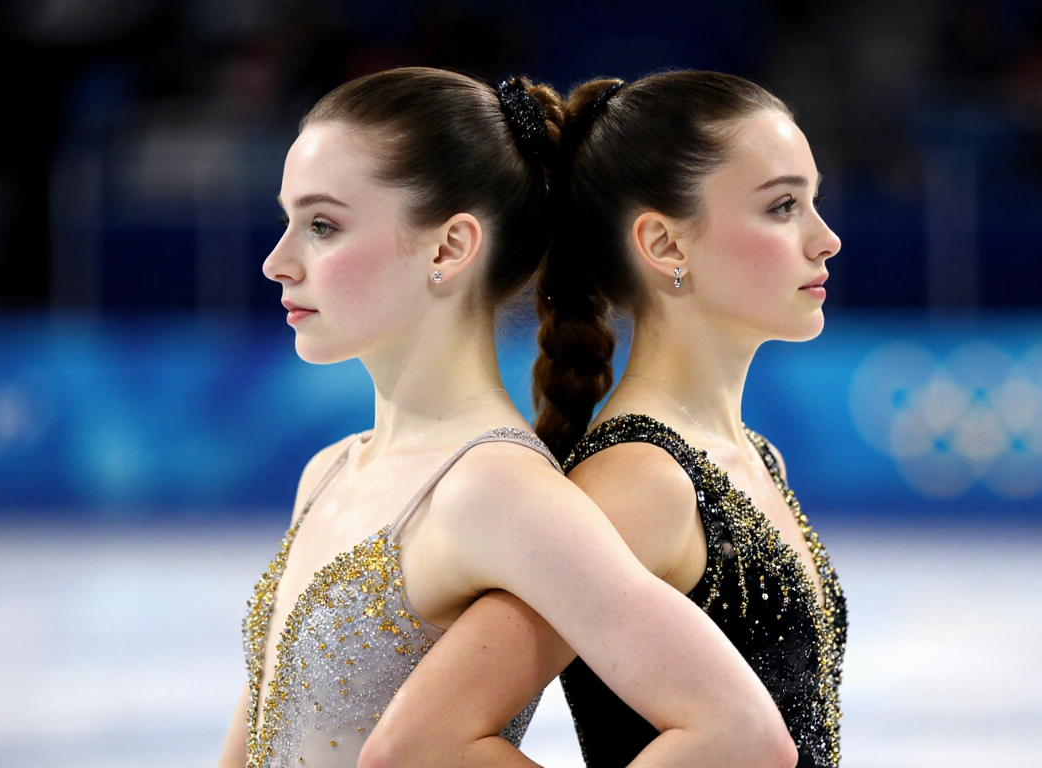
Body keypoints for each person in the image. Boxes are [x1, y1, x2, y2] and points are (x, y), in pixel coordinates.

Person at [215, 67, 796, 768]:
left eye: (322, 225)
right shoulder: (328, 471)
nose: (279, 260)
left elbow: (739, 731)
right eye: (289, 221)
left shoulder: (496, 491)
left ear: (451, 247)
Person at [367, 70, 846, 768]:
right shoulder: (639, 484)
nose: (825, 238)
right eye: (783, 207)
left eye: (814, 203)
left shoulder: (747, 455)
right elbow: (417, 748)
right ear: (665, 245)